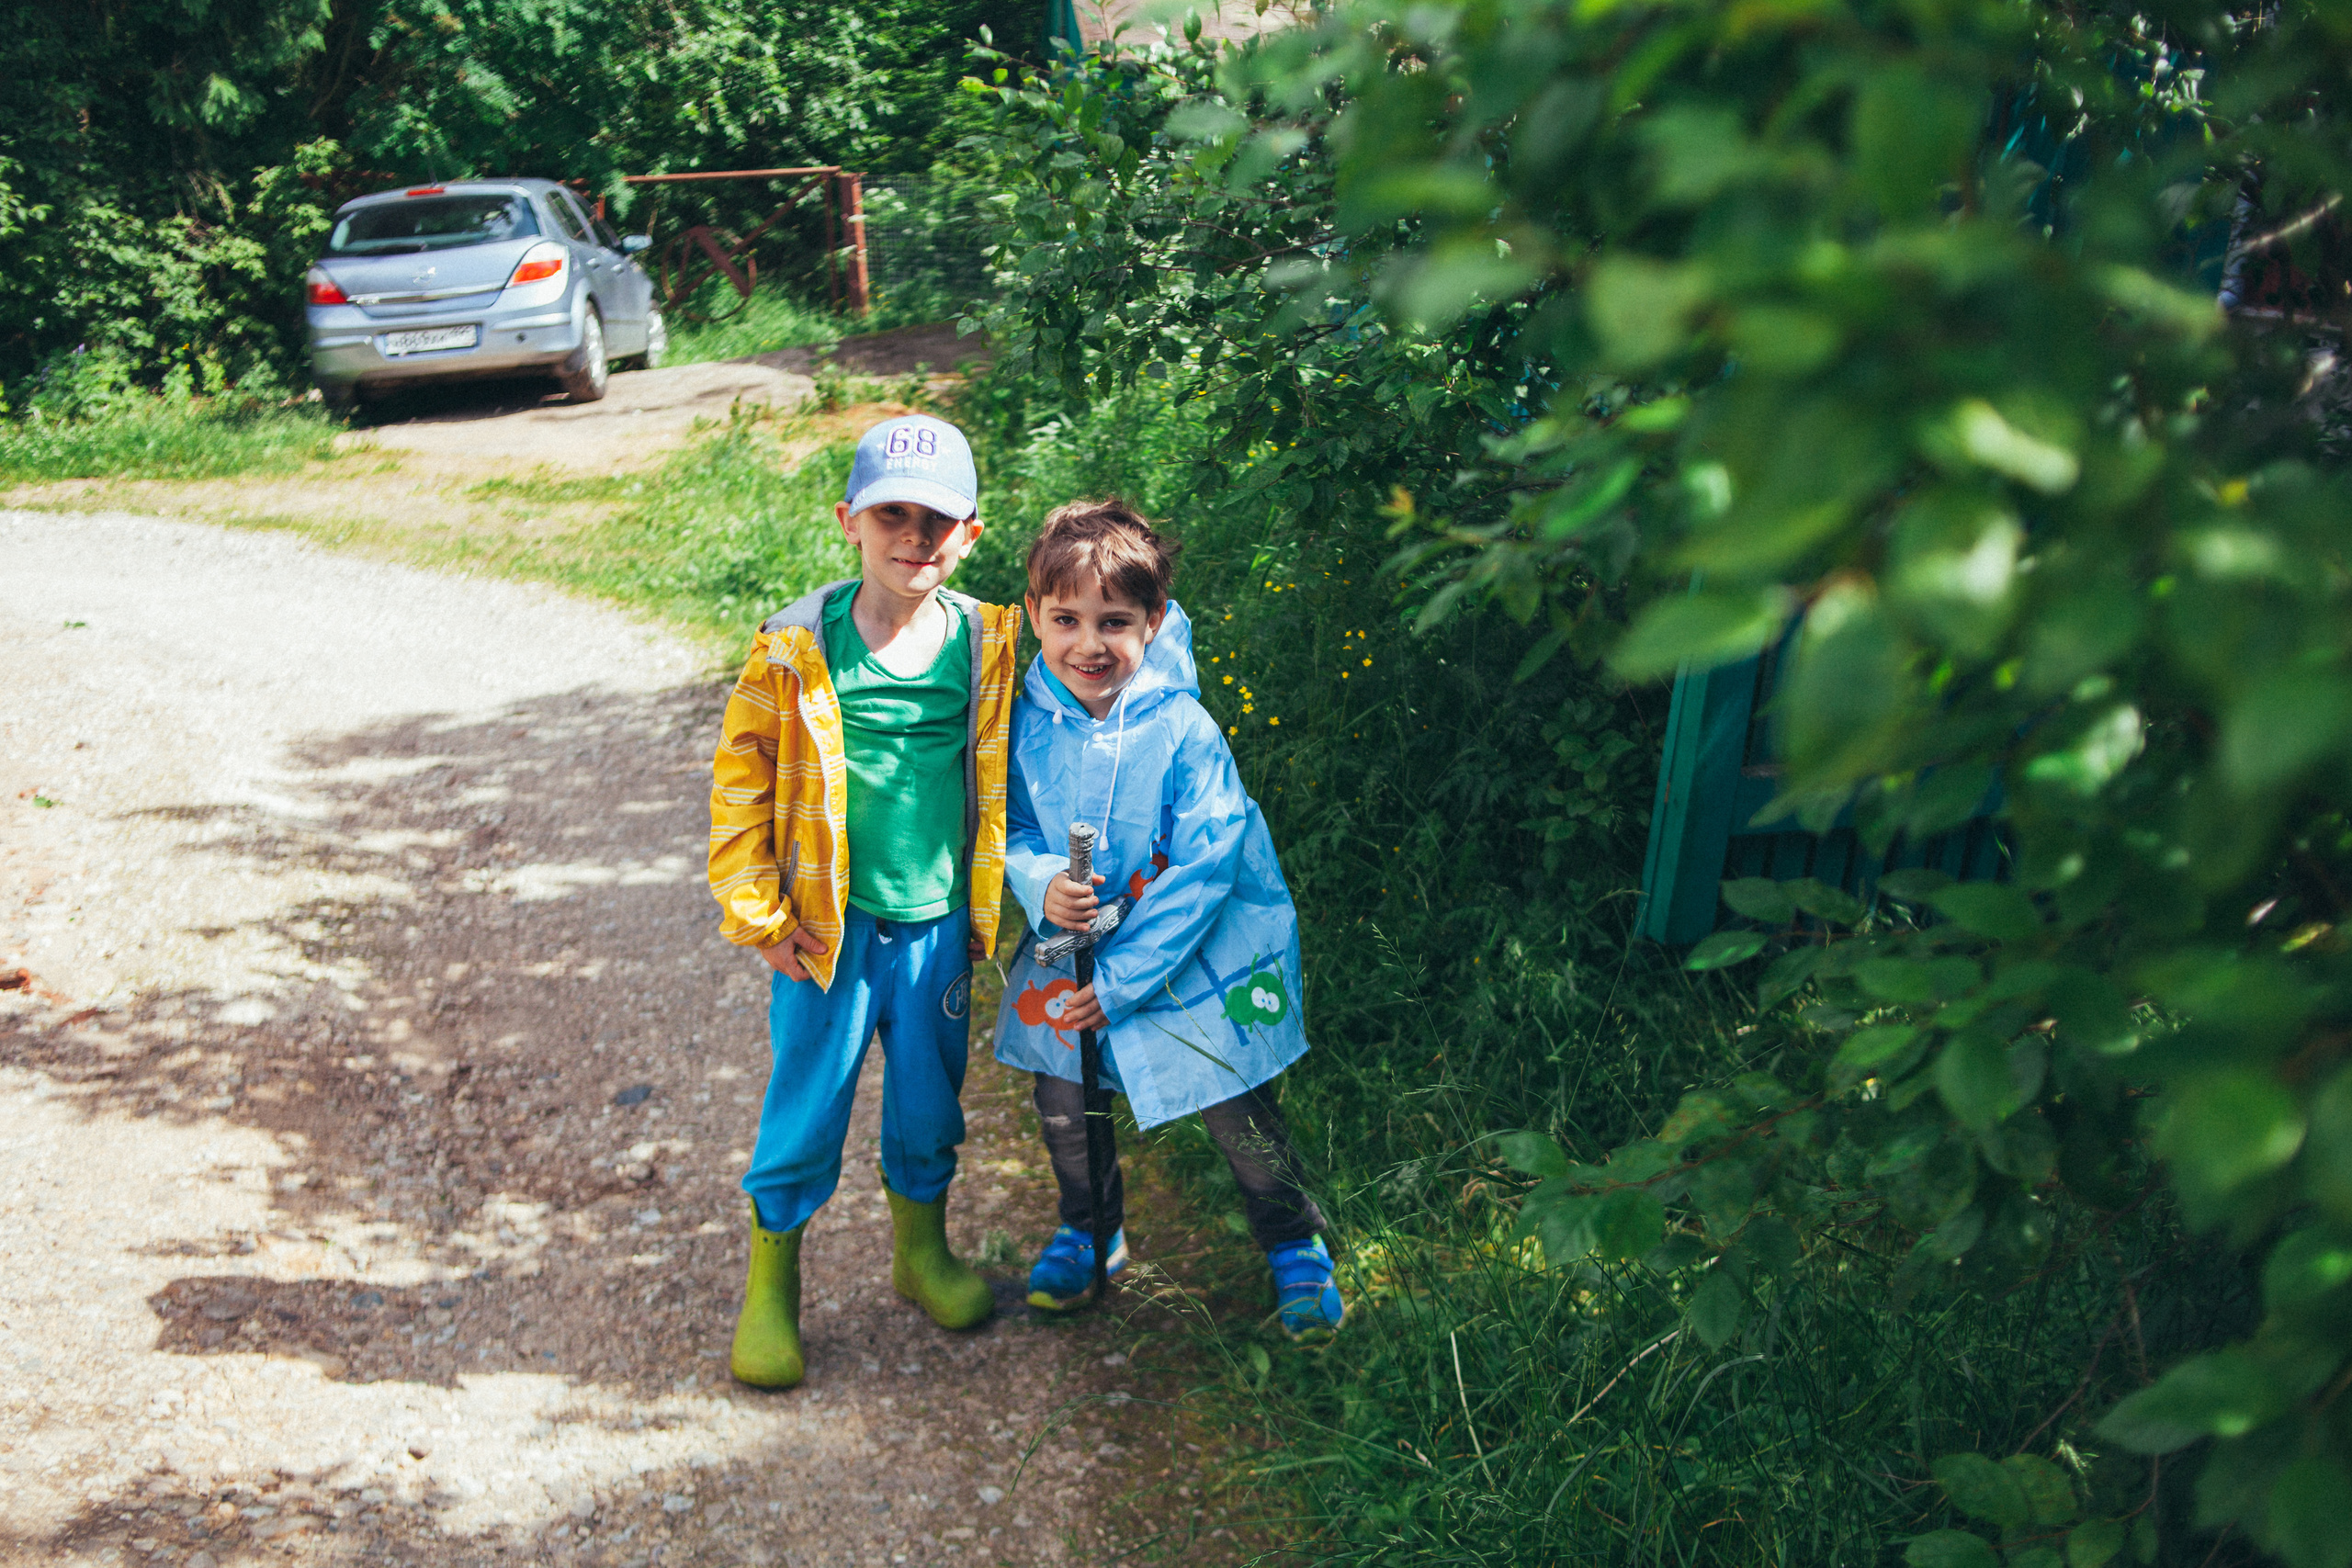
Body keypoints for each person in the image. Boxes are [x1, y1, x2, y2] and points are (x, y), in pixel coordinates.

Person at [707, 412, 1022, 1389]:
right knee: (808, 1105)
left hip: (937, 935)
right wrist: (762, 917)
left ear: (970, 533)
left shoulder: (988, 645)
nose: (913, 536)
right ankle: (772, 1284)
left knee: (931, 1107)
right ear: (850, 520)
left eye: (937, 520)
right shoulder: (795, 646)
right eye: (893, 513)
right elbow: (741, 784)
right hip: (825, 938)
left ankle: (920, 1253)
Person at [992, 499, 1346, 1338]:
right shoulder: (1021, 724)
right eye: (1066, 618)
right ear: (1034, 617)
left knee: (1232, 1099)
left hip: (1189, 943)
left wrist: (1119, 982)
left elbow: (1209, 859)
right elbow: (1013, 826)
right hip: (1072, 938)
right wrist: (1041, 879)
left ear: (1153, 622)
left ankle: (1294, 1241)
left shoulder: (1184, 727)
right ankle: (1090, 1228)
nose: (1089, 644)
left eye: (1114, 621)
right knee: (1062, 1091)